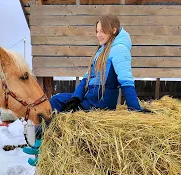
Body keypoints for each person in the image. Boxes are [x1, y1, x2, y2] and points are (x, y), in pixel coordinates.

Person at [23, 13, 152, 166]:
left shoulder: (119, 49)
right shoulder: (101, 50)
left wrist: (134, 108)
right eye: (97, 31)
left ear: (114, 30)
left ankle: (43, 150)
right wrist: (76, 98)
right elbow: (86, 78)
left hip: (101, 101)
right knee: (57, 100)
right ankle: (40, 142)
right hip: (90, 97)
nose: (98, 34)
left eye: (102, 31)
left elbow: (126, 80)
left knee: (61, 112)